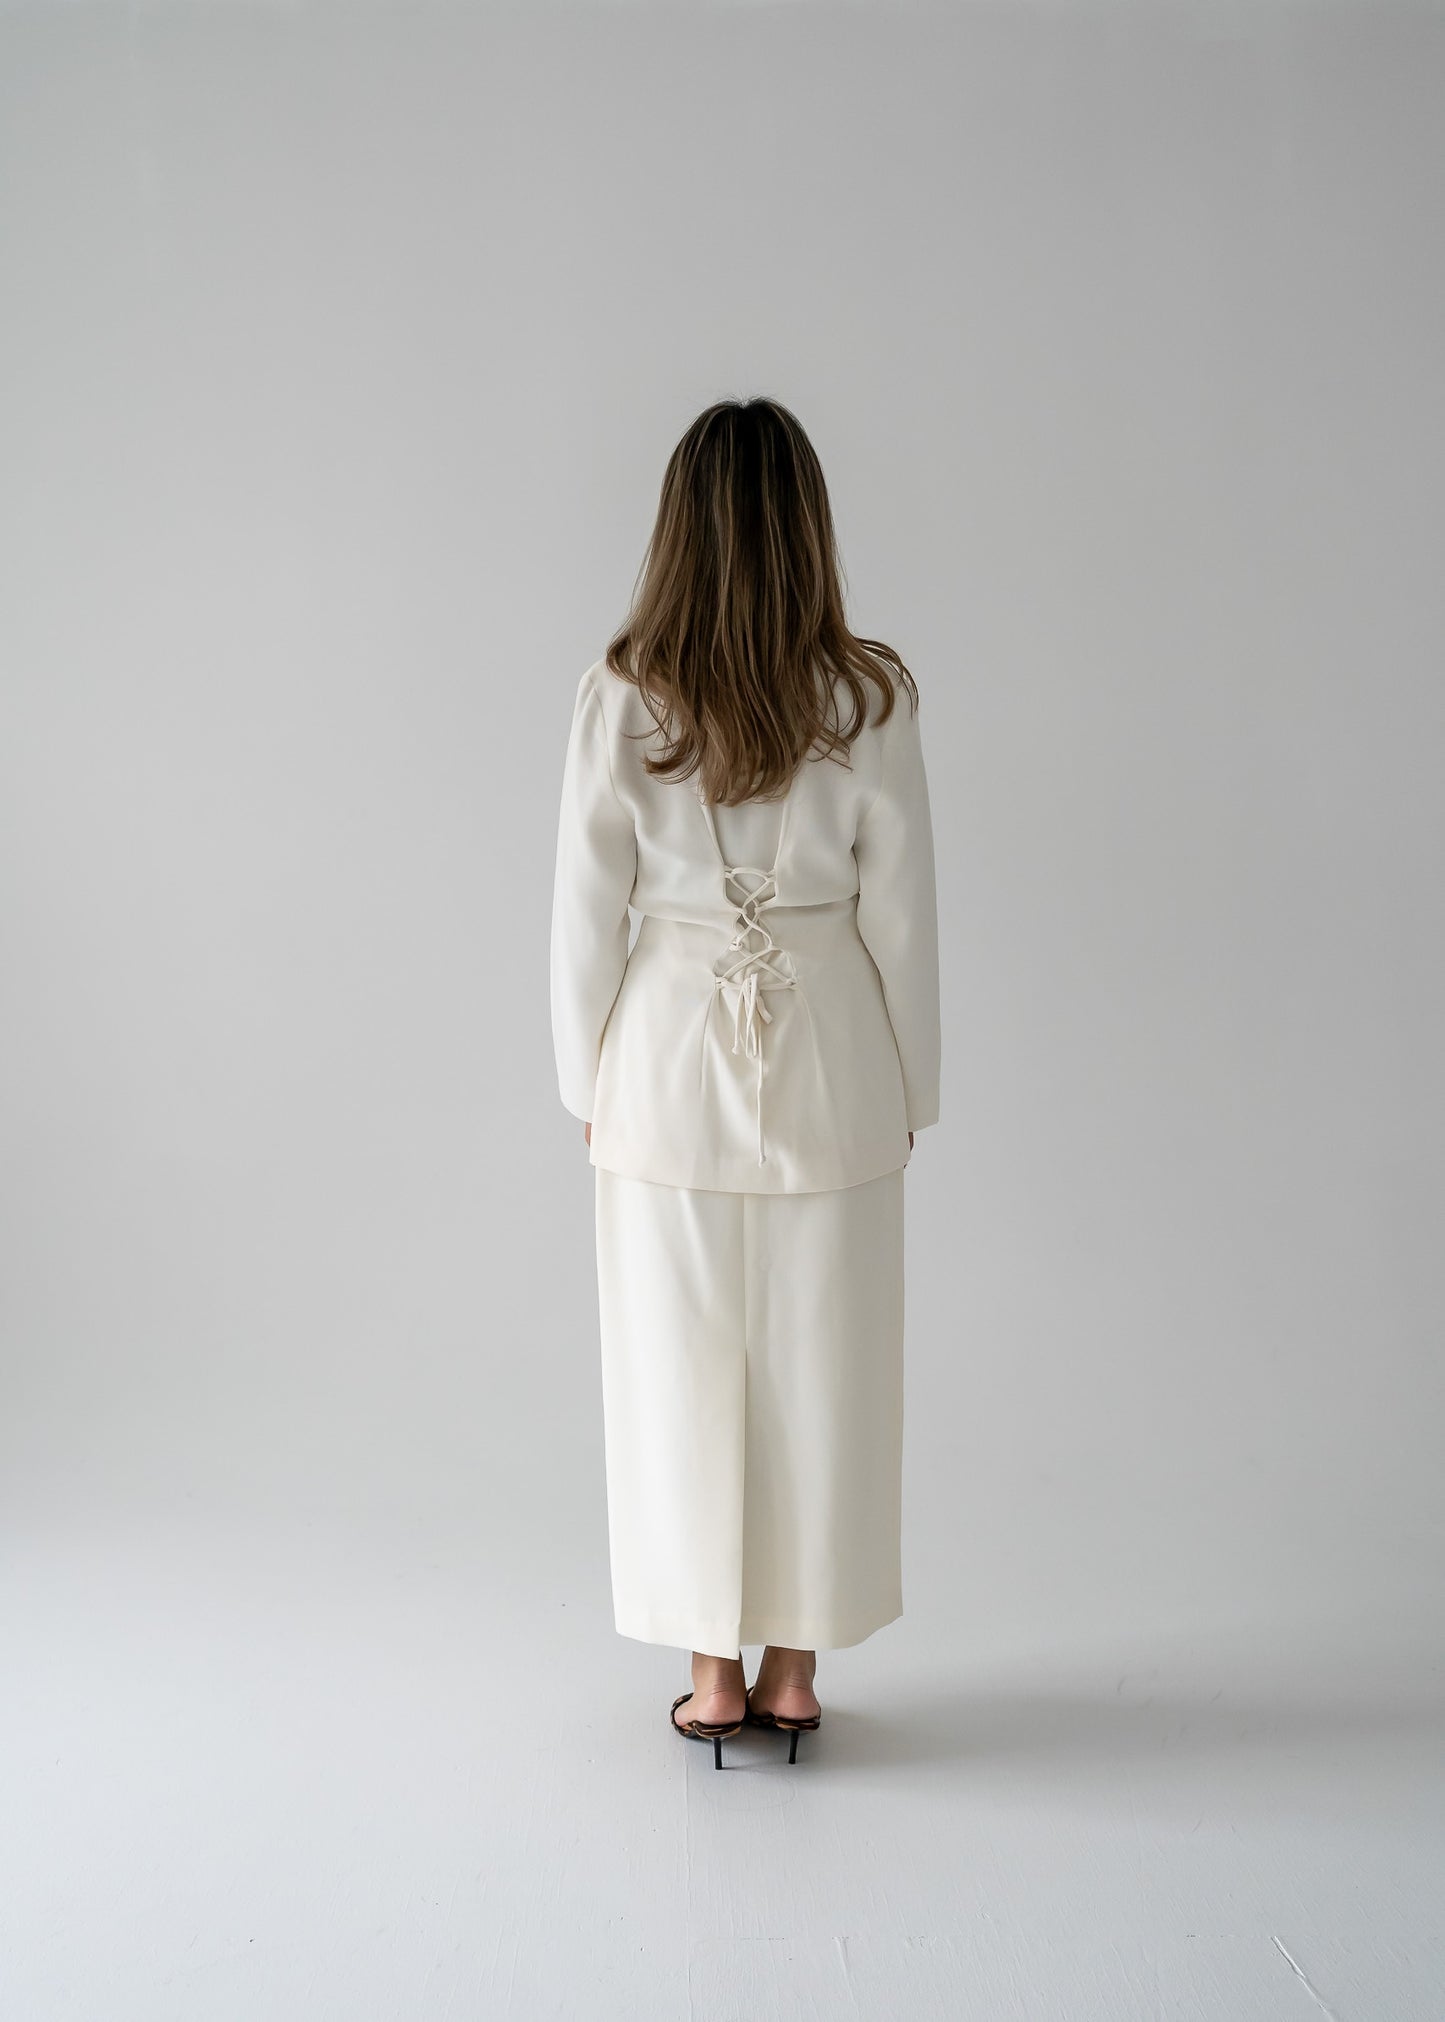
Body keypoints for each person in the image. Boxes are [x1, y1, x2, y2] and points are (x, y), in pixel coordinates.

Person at [549, 396, 940, 1767]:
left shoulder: (620, 693)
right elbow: (902, 920)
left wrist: (580, 1077)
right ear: (806, 531)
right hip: (832, 1057)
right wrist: (913, 1084)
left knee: (678, 1369)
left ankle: (707, 1675)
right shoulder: (868, 695)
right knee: (826, 1365)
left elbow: (580, 913)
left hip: (661, 1063)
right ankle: (791, 1672)